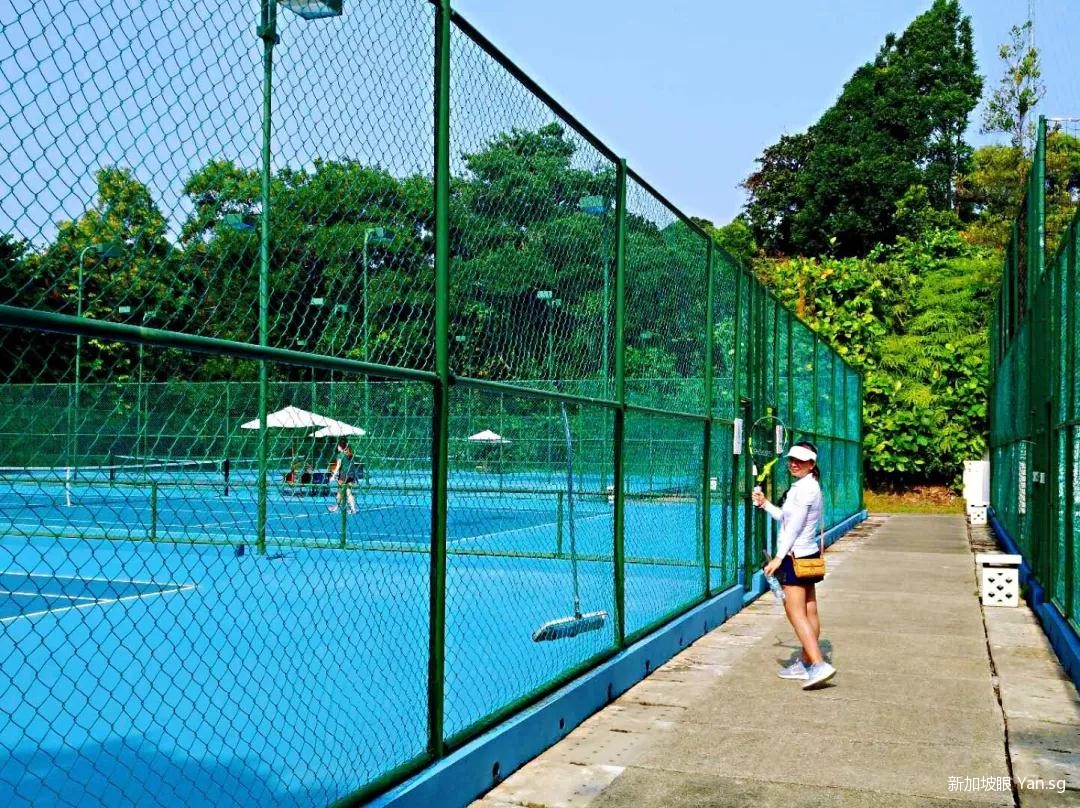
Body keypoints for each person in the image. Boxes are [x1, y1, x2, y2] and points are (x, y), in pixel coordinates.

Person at [753, 441, 836, 690]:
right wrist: (765, 504)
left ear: (811, 464)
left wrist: (778, 558)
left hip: (794, 556)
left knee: (795, 612)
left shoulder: (804, 490)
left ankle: (818, 664)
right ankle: (805, 662)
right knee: (809, 611)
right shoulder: (807, 486)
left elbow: (794, 528)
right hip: (807, 554)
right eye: (791, 459)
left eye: (800, 460)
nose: (794, 464)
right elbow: (786, 518)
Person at [327, 437, 358, 515]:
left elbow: (338, 466)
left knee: (339, 491)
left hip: (344, 475)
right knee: (349, 492)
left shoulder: (340, 455)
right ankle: (353, 509)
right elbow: (352, 466)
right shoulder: (349, 454)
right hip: (351, 475)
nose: (337, 447)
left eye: (338, 446)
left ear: (340, 447)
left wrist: (333, 476)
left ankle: (336, 506)